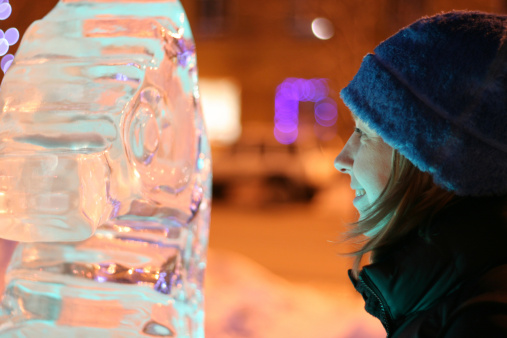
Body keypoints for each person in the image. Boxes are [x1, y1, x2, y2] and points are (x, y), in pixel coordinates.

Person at [334, 11, 507, 337]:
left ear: (430, 159)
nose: (341, 159)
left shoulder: (482, 322)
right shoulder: (455, 298)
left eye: (366, 134)